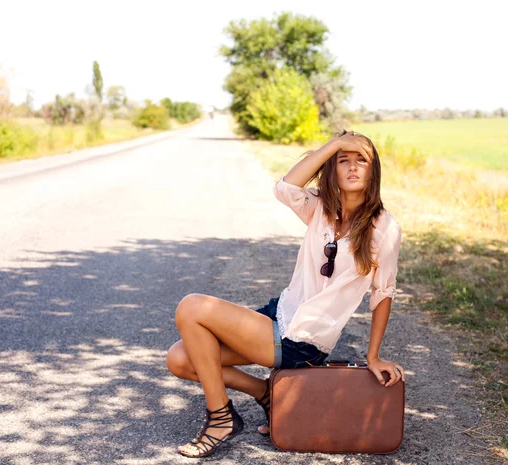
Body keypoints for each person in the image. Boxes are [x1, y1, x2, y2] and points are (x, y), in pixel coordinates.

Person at [166, 129, 405, 458]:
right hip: (279, 315)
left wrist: (373, 356)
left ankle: (220, 419)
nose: (352, 166)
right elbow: (286, 187)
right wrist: (335, 143)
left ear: (373, 170)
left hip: (304, 338)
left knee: (192, 307)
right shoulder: (320, 208)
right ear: (331, 169)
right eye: (343, 160)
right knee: (179, 359)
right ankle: (266, 393)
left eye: (361, 160)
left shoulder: (384, 227)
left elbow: (383, 293)